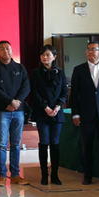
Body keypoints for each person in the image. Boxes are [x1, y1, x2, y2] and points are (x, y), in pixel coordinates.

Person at [70, 41, 99, 185]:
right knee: (86, 147)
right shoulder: (79, 70)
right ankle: (87, 175)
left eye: (93, 49)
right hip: (86, 114)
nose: (90, 52)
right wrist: (75, 114)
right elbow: (74, 94)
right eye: (88, 50)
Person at [0, 40, 30, 187]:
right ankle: (1, 175)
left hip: (18, 111)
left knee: (16, 144)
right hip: (2, 111)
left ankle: (15, 174)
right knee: (1, 144)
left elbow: (26, 87)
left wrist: (17, 102)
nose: (5, 51)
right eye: (2, 49)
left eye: (8, 48)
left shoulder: (20, 67)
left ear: (12, 51)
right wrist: (10, 101)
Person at [30, 44, 68, 185]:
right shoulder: (36, 73)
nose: (45, 57)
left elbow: (64, 92)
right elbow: (35, 92)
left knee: (55, 143)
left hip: (57, 112)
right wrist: (46, 107)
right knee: (44, 142)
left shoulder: (60, 73)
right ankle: (44, 174)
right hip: (42, 112)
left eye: (48, 55)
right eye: (43, 55)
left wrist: (57, 107)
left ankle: (55, 174)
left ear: (54, 57)